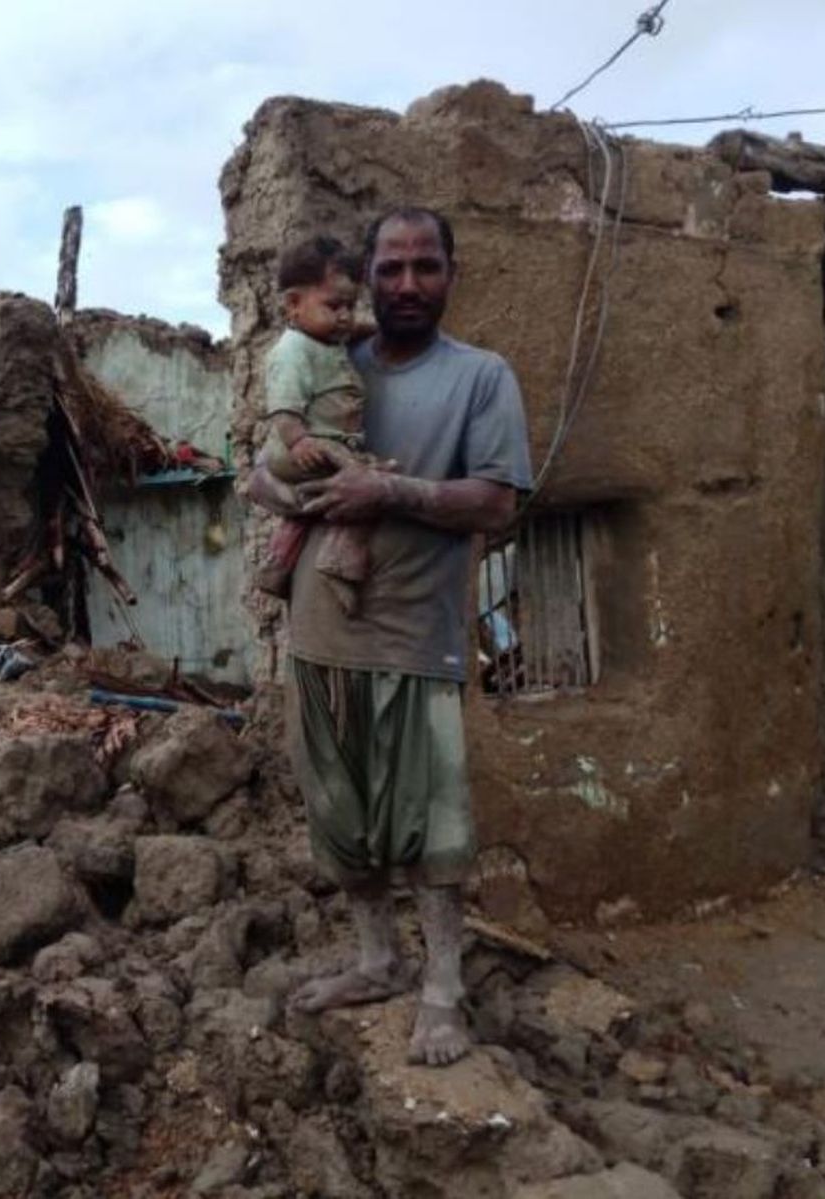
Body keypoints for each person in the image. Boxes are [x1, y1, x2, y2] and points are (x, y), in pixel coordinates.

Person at [247, 207, 532, 1066]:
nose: (408, 283)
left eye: (426, 267)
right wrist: (280, 488)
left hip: (417, 634)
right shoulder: (325, 359)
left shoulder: (481, 378)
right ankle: (378, 958)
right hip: (322, 631)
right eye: (392, 268)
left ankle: (443, 988)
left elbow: (497, 501)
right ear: (366, 276)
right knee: (341, 812)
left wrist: (389, 495)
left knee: (433, 821)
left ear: (452, 272)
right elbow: (260, 464)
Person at [254, 235, 384, 616]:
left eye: (350, 305)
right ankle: (340, 564)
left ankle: (277, 566)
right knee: (368, 488)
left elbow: (352, 328)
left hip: (320, 445)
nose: (344, 315)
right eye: (334, 305)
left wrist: (367, 326)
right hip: (306, 446)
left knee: (310, 506)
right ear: (293, 304)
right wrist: (298, 441)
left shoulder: (326, 340)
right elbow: (282, 406)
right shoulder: (293, 349)